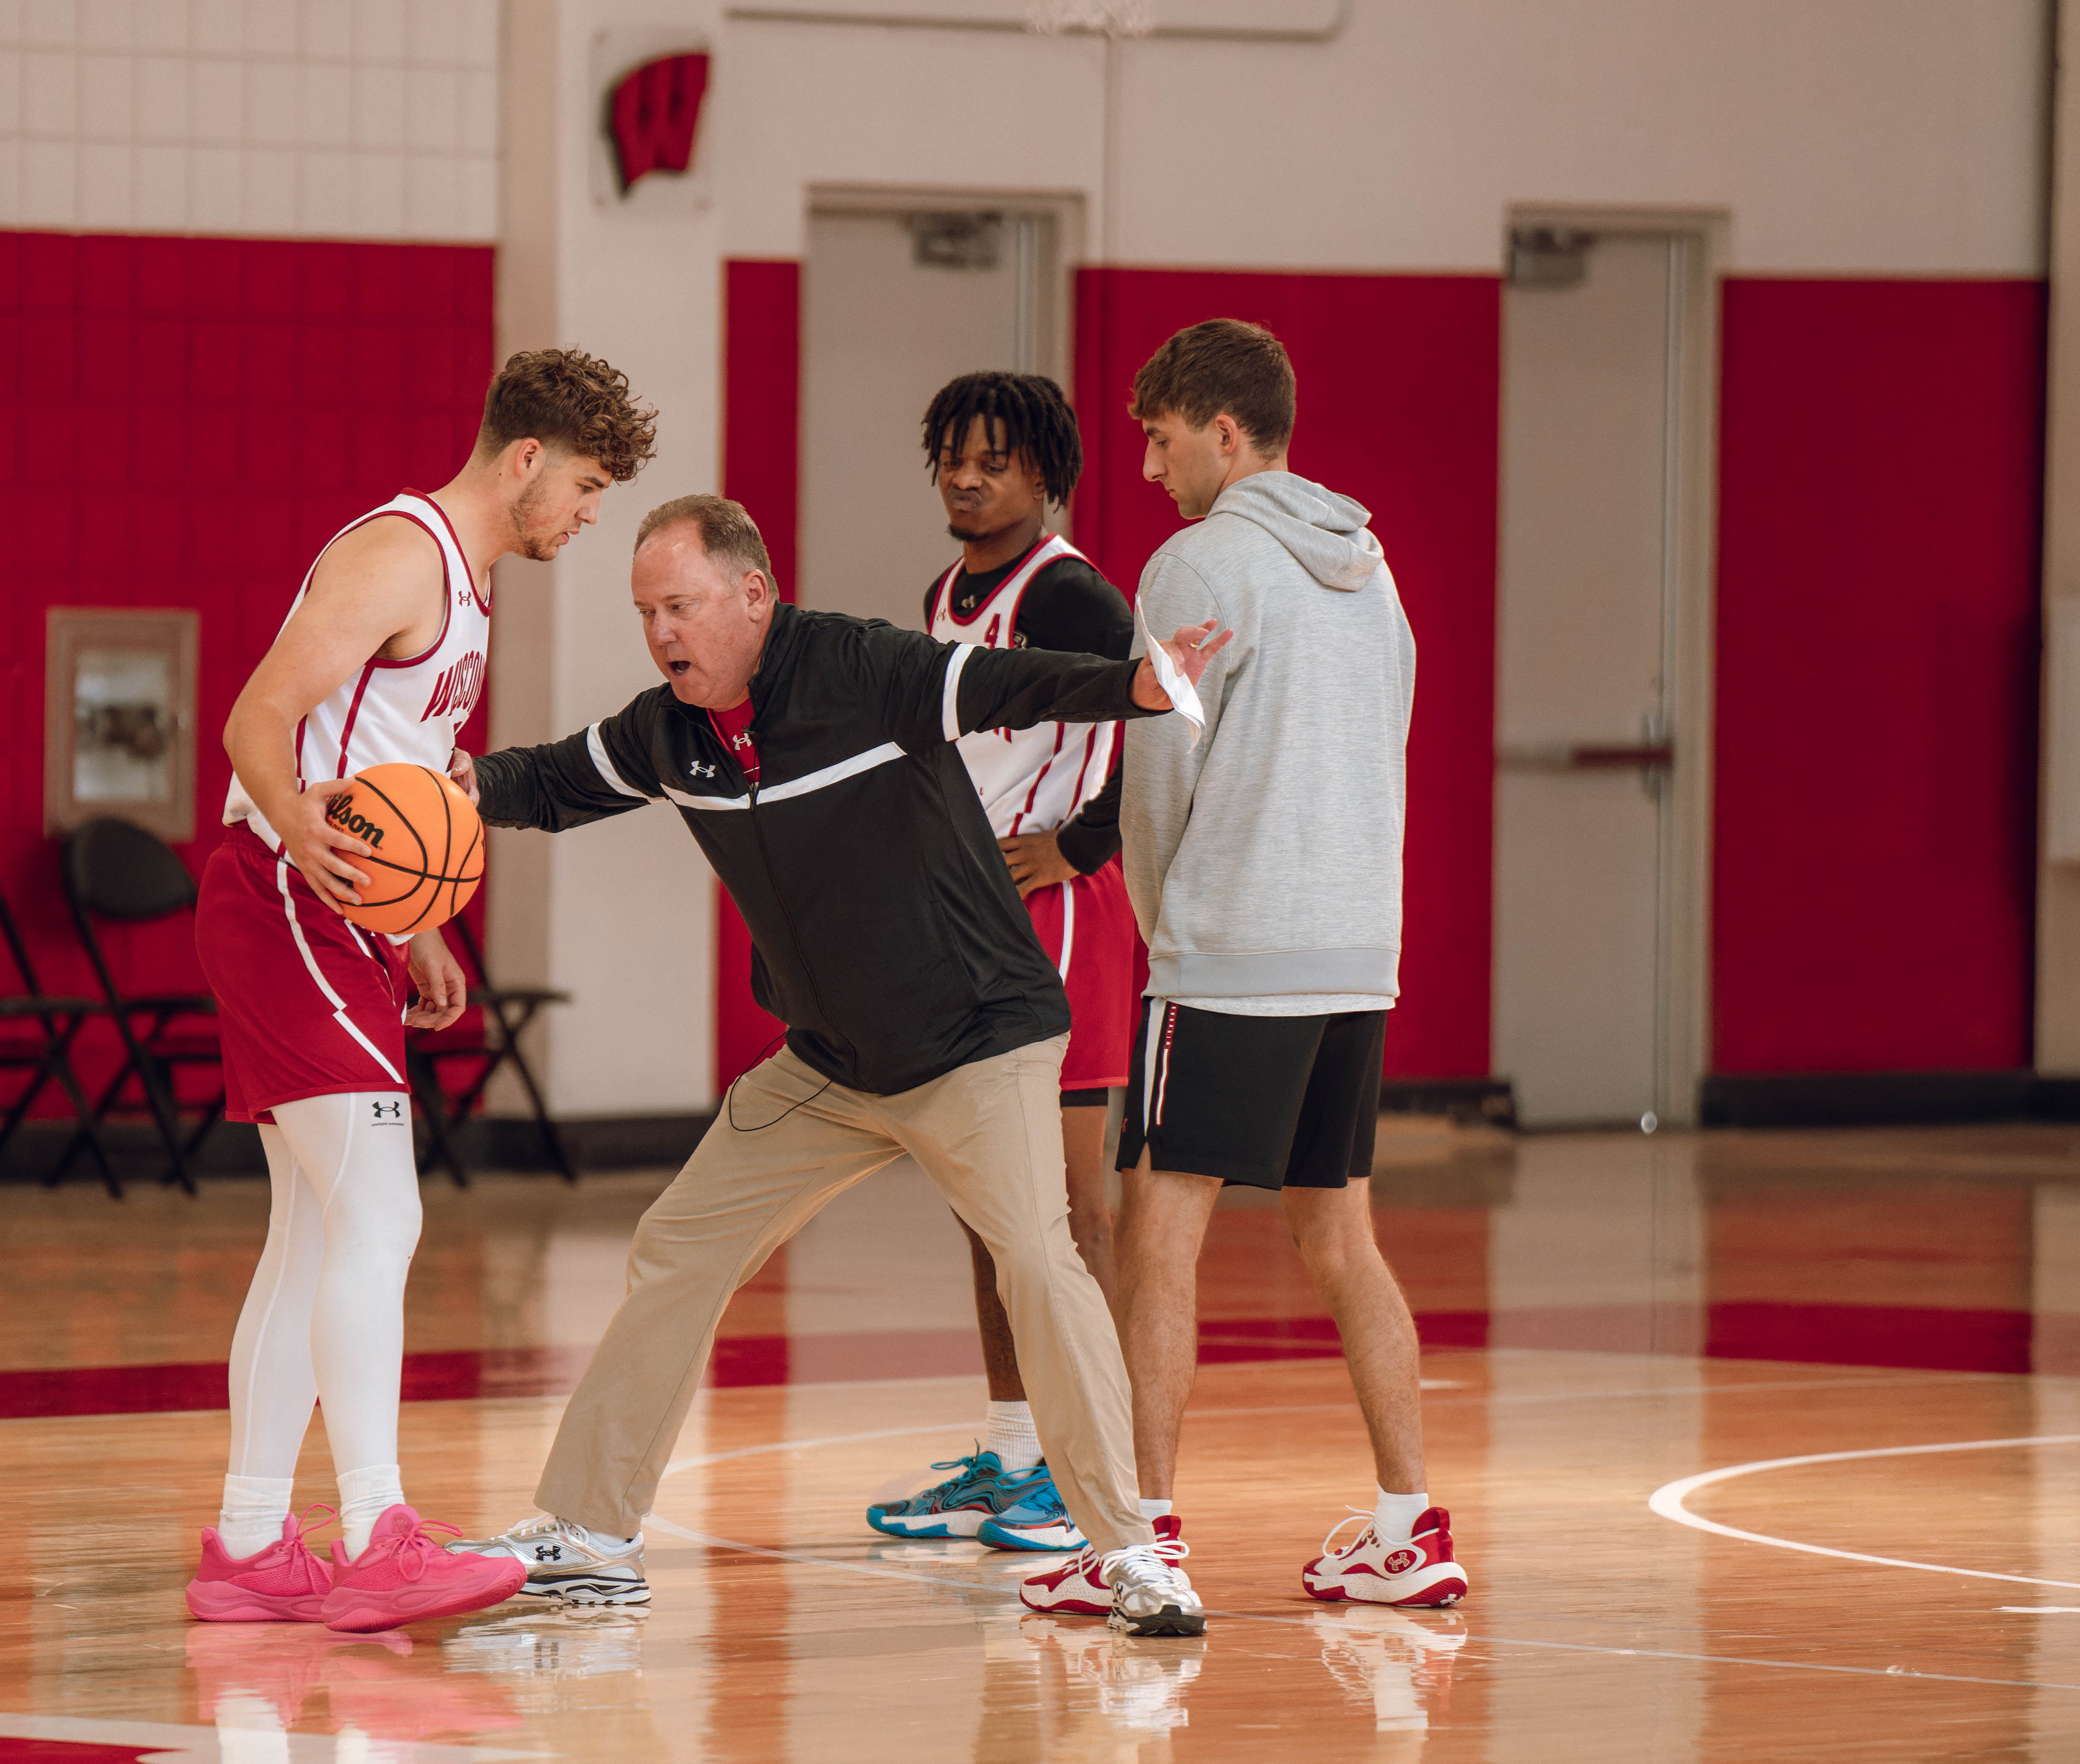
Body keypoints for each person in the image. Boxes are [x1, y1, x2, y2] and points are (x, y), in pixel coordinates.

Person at [450, 493, 1227, 1638]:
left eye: (681, 606)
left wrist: (1135, 689)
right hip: (830, 1065)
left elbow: (1007, 684)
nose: (662, 633)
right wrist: (457, 785)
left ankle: (1130, 1552)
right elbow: (558, 779)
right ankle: (592, 1531)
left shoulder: (858, 669)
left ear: (753, 595)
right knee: (678, 1243)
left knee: (1036, 1257)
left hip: (977, 1040)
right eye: (645, 612)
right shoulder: (671, 733)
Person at [183, 349, 658, 1634]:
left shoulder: (473, 585)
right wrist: (306, 840)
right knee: (382, 1219)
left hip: (345, 917)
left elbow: (396, 772)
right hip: (288, 895)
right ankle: (378, 1530)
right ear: (525, 459)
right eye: (589, 485)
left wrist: (428, 921)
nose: (589, 512)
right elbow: (254, 718)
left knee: (316, 1233)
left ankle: (246, 1544)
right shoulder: (398, 553)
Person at [1113, 319, 1468, 1607]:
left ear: (1222, 429)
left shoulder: (1193, 564)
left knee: (1155, 1237)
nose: (1148, 467)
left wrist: (1169, 927)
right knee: (1342, 1234)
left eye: (1159, 439)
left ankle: (1138, 1541)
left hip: (1230, 954)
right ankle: (1403, 1524)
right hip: (1352, 950)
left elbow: (1156, 773)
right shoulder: (1371, 570)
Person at [863, 373, 1142, 1554]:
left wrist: (1078, 843)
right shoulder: (945, 590)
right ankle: (1016, 1455)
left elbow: (1163, 715)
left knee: (1074, 1212)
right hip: (968, 912)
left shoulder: (1070, 593)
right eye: (952, 457)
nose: (966, 477)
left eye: (994, 459)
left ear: (1046, 477)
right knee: (989, 1206)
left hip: (1061, 914)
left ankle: (1100, 1473)